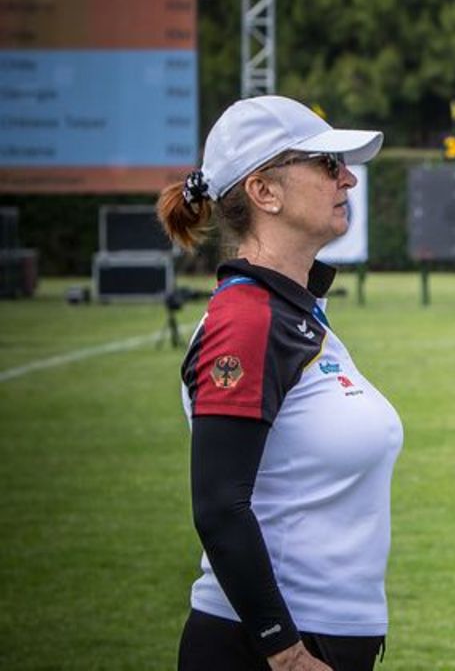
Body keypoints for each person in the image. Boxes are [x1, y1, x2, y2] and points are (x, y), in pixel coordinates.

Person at [156, 95, 404, 671]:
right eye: (325, 164)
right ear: (264, 191)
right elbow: (220, 505)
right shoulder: (246, 321)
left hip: (320, 641)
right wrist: (287, 654)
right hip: (266, 651)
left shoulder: (295, 312)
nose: (348, 179)